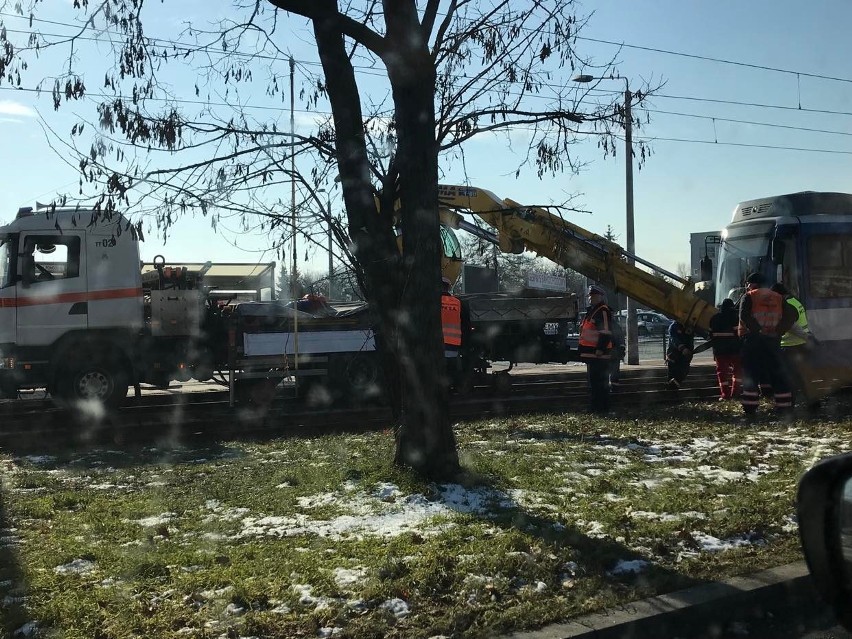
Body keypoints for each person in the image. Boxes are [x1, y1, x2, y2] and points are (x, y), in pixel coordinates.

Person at [738, 273, 798, 417]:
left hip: (753, 341)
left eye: (748, 283)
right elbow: (791, 316)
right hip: (773, 341)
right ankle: (784, 407)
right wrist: (778, 330)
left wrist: (759, 329)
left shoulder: (749, 296)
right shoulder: (778, 297)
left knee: (751, 375)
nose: (747, 286)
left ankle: (750, 408)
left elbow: (744, 316)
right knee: (778, 374)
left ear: (753, 284)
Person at [771, 282, 815, 405]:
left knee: (791, 377)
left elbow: (790, 325)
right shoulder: (795, 301)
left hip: (791, 346)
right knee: (801, 375)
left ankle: (790, 402)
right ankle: (812, 401)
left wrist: (775, 332)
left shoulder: (788, 305)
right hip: (800, 345)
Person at [578, 284, 613, 413]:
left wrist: (600, 349)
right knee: (594, 383)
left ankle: (601, 408)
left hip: (599, 355)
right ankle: (596, 407)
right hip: (593, 355)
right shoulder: (593, 310)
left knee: (599, 383)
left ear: (600, 297)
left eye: (593, 296)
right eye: (590, 296)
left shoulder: (602, 310)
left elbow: (605, 332)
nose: (590, 298)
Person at [708, 298, 742, 400]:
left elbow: (710, 335)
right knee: (737, 372)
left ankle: (725, 395)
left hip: (719, 351)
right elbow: (739, 334)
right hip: (734, 350)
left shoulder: (714, 318)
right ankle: (735, 393)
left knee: (722, 373)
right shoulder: (735, 318)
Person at [440, 276, 470, 390]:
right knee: (451, 369)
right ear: (448, 287)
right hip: (453, 344)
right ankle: (451, 388)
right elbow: (466, 326)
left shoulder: (431, 303)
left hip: (435, 344)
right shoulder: (458, 303)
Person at [665, 320, 694, 389]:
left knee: (684, 371)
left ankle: (673, 387)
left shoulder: (690, 326)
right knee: (673, 373)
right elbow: (674, 339)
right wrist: (682, 348)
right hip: (674, 354)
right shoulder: (674, 326)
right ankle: (671, 391)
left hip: (685, 355)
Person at [609, 315, 625, 390]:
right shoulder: (616, 325)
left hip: (608, 351)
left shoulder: (604, 325)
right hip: (614, 351)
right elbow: (621, 339)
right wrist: (622, 350)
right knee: (614, 370)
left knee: (608, 370)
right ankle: (614, 387)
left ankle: (610, 387)